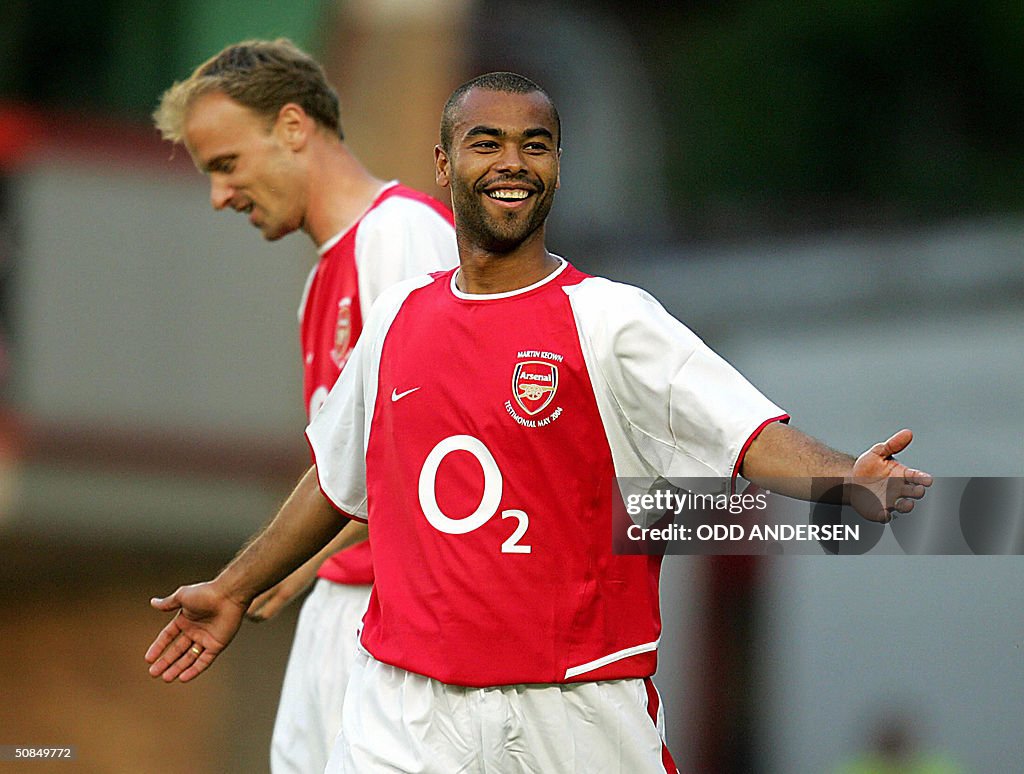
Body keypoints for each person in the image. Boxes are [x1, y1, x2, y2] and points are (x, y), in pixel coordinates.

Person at [146, 72, 932, 773]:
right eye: (487, 142)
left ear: (557, 168)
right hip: (408, 704)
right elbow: (339, 476)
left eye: (538, 145)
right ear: (446, 165)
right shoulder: (398, 319)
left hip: (575, 704)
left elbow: (742, 433)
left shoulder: (610, 318)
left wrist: (841, 479)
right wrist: (234, 587)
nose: (513, 162)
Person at [151, 39, 457, 774]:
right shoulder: (323, 278)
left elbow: (439, 456)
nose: (220, 196)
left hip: (398, 620)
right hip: (339, 607)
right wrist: (299, 566)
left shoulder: (403, 234)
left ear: (293, 127)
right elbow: (363, 471)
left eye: (225, 165)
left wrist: (258, 573)